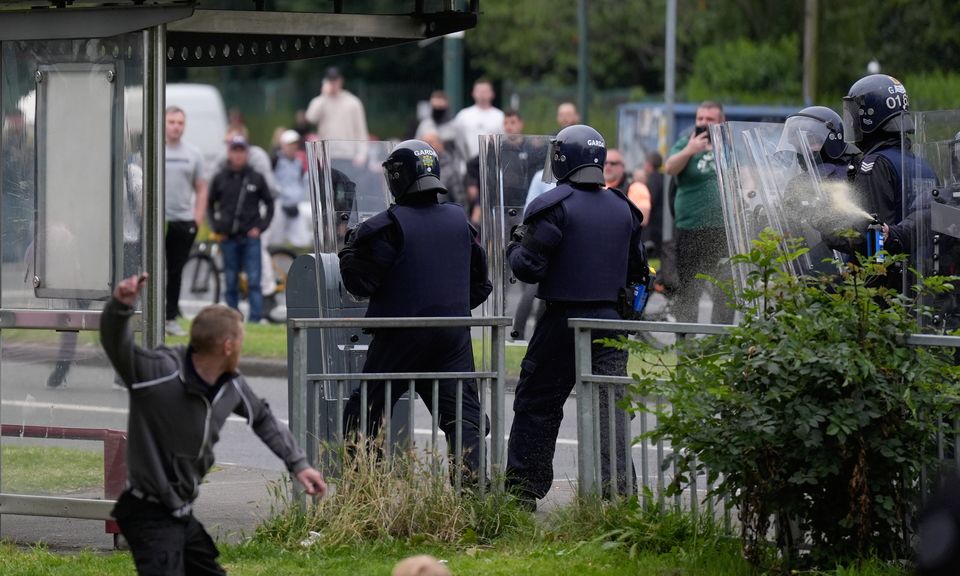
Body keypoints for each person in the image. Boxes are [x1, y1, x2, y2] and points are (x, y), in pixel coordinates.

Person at [100, 274, 326, 576]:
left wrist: (299, 464)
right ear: (228, 345)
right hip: (148, 511)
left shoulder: (231, 385)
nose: (242, 349)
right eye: (242, 342)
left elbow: (263, 419)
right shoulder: (158, 372)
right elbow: (116, 344)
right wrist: (119, 306)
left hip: (179, 511)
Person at [505, 125, 648, 509]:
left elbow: (529, 268)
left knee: (537, 400)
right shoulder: (624, 208)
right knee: (611, 408)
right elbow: (638, 275)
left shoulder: (554, 204)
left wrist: (513, 245)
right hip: (610, 322)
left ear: (562, 158)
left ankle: (522, 491)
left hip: (561, 321)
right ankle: (617, 494)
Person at [339, 139, 492, 480]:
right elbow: (481, 285)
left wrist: (348, 252)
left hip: (400, 337)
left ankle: (364, 490)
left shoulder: (386, 228)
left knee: (364, 413)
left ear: (396, 178)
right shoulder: (460, 222)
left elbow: (360, 284)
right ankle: (475, 495)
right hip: (452, 337)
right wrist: (445, 305)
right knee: (464, 419)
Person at [663, 101, 733, 324]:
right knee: (688, 291)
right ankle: (686, 349)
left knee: (724, 290)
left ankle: (718, 344)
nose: (703, 123)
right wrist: (689, 151)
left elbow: (746, 175)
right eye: (700, 119)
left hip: (722, 229)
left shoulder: (729, 146)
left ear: (721, 122)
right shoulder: (685, 143)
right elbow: (670, 168)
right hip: (690, 228)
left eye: (709, 119)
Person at [208, 135, 274, 323]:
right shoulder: (220, 178)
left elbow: (269, 204)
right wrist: (216, 227)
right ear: (229, 153)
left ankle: (255, 319)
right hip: (228, 237)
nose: (238, 155)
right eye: (234, 151)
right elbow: (210, 204)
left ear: (247, 153)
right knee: (230, 281)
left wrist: (261, 227)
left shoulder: (256, 177)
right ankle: (232, 319)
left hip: (250, 236)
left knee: (254, 281)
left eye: (241, 151)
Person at [163, 106, 208, 336]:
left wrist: (197, 219)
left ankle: (170, 317)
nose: (176, 127)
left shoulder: (193, 154)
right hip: (158, 221)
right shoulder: (153, 150)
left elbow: (201, 188)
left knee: (175, 271)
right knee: (152, 270)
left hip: (183, 221)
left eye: (180, 123)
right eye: (171, 122)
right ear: (163, 123)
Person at [305, 66, 369, 167]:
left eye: (335, 79)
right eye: (330, 80)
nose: (333, 83)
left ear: (341, 80)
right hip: (326, 155)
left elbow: (360, 130)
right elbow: (310, 118)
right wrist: (324, 95)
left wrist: (362, 153)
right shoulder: (321, 101)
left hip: (348, 155)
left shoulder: (353, 102)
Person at [267, 129, 311, 248]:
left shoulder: (298, 162)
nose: (293, 147)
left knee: (303, 240)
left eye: (295, 144)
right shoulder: (274, 160)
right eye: (290, 144)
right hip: (279, 204)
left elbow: (301, 182)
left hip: (294, 205)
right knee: (274, 240)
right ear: (283, 145)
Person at [453, 78, 504, 163]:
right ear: (473, 93)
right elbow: (457, 141)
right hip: (468, 164)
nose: (482, 94)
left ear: (492, 94)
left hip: (492, 164)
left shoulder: (500, 116)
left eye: (485, 91)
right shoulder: (463, 115)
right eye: (479, 91)